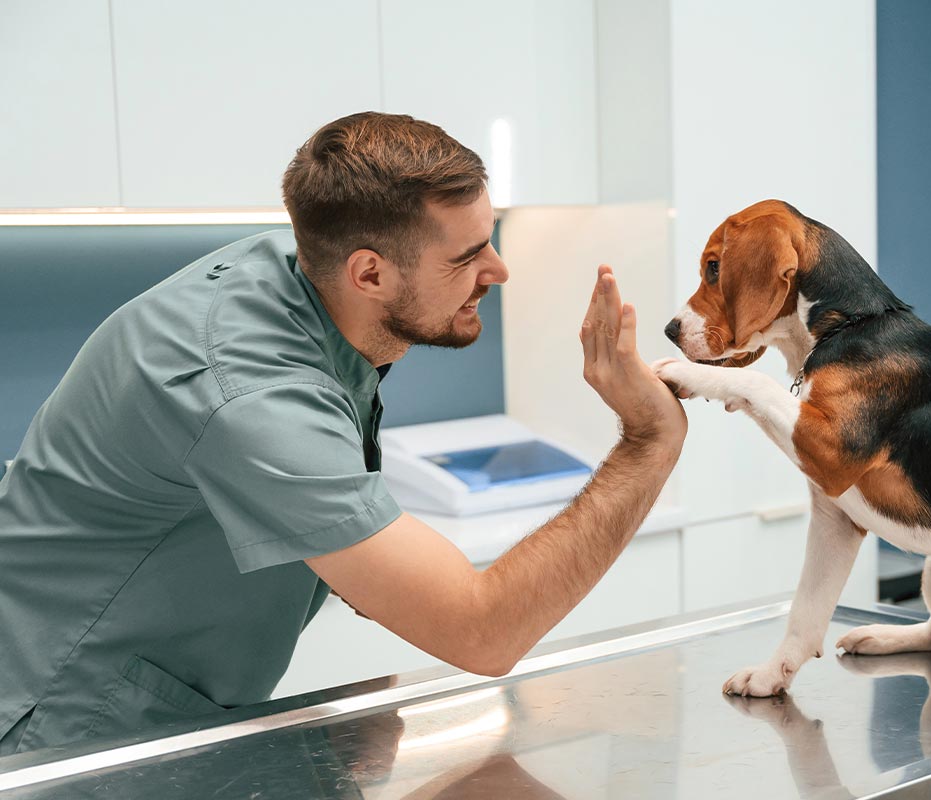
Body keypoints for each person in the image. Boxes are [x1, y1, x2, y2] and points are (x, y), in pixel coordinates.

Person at [0, 112, 686, 754]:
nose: (498, 271)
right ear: (369, 273)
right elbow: (485, 632)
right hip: (57, 726)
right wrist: (647, 441)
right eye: (469, 255)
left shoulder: (306, 279)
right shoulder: (248, 390)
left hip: (164, 711)